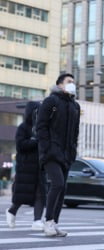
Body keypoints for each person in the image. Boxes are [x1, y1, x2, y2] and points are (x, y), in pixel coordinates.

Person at [37, 73, 80, 237]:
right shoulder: (51, 101)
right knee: (58, 184)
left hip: (66, 154)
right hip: (51, 153)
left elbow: (75, 131)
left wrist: (73, 150)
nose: (72, 85)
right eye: (69, 82)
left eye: (73, 82)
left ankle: (54, 223)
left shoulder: (75, 106)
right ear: (60, 85)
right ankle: (47, 221)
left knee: (63, 189)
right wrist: (46, 148)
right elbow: (40, 126)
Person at [5, 101, 46, 230]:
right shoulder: (23, 127)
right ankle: (11, 211)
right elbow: (20, 145)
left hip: (39, 166)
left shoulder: (41, 127)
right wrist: (35, 141)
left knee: (40, 194)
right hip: (26, 167)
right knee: (22, 195)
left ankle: (37, 220)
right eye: (37, 111)